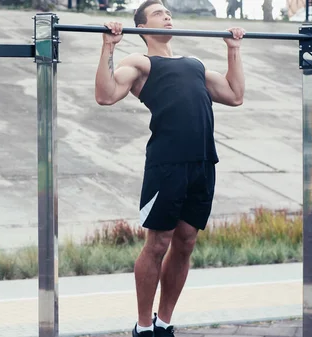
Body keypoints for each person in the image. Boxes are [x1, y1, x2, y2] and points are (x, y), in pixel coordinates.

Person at [93, 1, 245, 337]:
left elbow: (235, 95)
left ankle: (164, 323)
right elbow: (105, 95)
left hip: (204, 161)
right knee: (158, 242)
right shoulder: (141, 63)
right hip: (167, 164)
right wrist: (108, 47)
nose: (167, 15)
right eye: (159, 13)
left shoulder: (193, 64)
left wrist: (233, 50)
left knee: (187, 241)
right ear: (144, 27)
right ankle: (144, 327)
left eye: (168, 11)